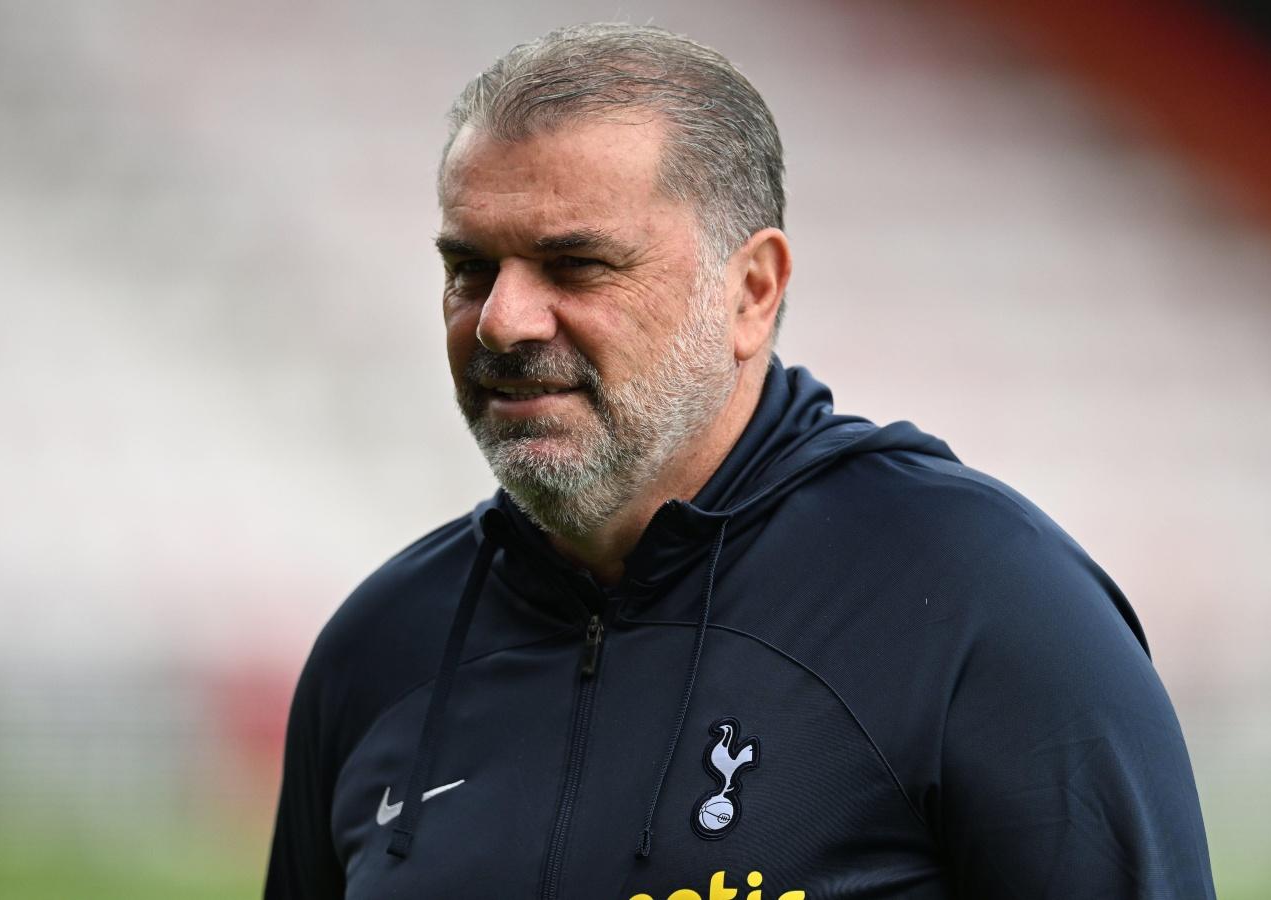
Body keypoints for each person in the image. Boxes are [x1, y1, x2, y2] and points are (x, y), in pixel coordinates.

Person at [265, 23, 1215, 900]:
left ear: (751, 292)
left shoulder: (985, 607)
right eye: (470, 267)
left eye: (577, 266)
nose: (504, 321)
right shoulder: (379, 651)